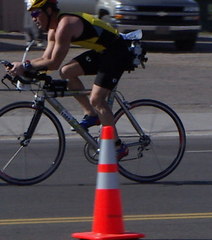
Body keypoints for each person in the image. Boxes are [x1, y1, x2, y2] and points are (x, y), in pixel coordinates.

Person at [8, 0, 131, 159]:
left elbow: (54, 63)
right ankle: (92, 115)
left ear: (49, 10)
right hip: (103, 51)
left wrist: (25, 66)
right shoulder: (54, 28)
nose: (33, 18)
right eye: (31, 14)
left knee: (97, 99)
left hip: (118, 51)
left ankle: (117, 146)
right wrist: (23, 67)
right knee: (66, 72)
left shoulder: (65, 25)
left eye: (36, 13)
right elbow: (46, 58)